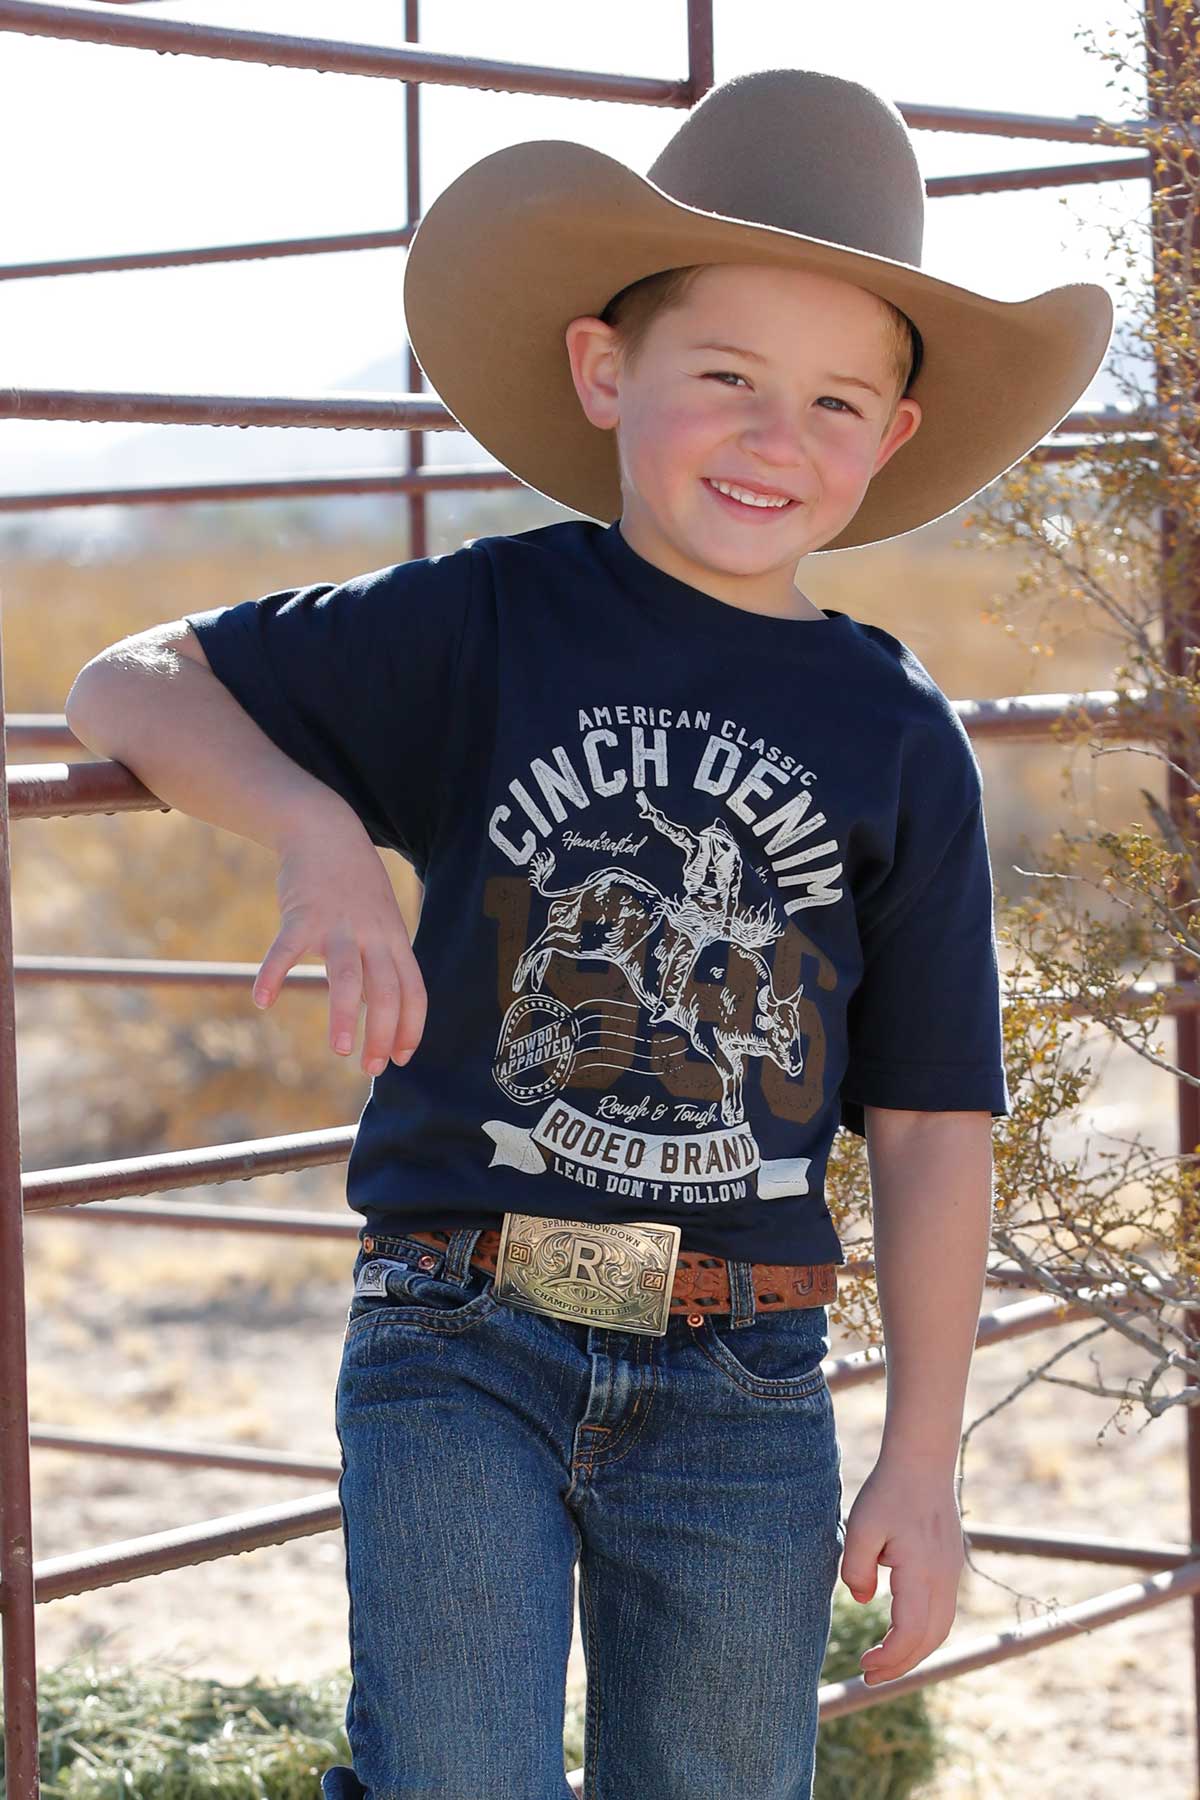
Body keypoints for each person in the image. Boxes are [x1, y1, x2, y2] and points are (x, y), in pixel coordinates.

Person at [64, 65, 1113, 1800]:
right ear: (606, 370)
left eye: (835, 402)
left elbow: (935, 1120)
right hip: (464, 1331)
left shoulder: (896, 732)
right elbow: (132, 680)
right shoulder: (487, 623)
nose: (776, 439)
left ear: (891, 438)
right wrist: (320, 837)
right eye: (728, 379)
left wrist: (923, 1458)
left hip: (743, 1373)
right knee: (455, 1774)